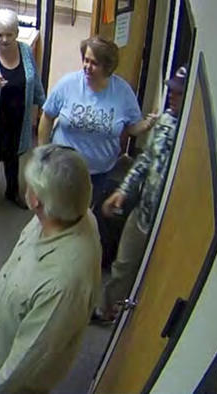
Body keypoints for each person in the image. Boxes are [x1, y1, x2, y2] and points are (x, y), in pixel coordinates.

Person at [0, 144, 101, 393]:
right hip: (5, 335)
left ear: (35, 200)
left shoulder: (62, 284)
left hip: (16, 382)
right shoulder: (70, 213)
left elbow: (28, 358)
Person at [37, 36, 156, 267]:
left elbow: (131, 127)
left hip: (98, 172)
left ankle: (71, 258)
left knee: (82, 216)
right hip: (63, 166)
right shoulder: (69, 84)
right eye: (85, 60)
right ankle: (49, 254)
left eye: (94, 63)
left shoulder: (122, 92)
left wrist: (147, 125)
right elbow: (47, 115)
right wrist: (43, 152)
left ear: (108, 66)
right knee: (55, 211)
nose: (86, 67)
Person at [94, 65, 187, 323]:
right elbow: (146, 159)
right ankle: (106, 311)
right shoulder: (166, 120)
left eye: (179, 93)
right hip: (144, 212)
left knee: (158, 278)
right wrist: (123, 191)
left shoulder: (191, 134)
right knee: (122, 265)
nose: (172, 96)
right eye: (172, 91)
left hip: (171, 225)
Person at [0, 9, 46, 220]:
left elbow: (35, 82)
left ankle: (12, 192)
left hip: (19, 117)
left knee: (13, 158)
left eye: (9, 34)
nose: (4, 40)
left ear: (17, 32)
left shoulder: (26, 51)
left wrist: (44, 106)